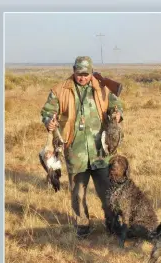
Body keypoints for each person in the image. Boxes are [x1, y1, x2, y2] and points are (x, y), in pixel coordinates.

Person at [40, 56, 124, 238]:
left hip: (101, 150)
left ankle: (113, 225)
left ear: (92, 72)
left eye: (86, 74)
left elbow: (115, 103)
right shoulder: (60, 90)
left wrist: (116, 114)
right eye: (79, 74)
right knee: (78, 193)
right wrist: (49, 120)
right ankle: (83, 226)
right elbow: (47, 111)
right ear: (74, 71)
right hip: (75, 151)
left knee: (108, 191)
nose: (82, 78)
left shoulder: (102, 86)